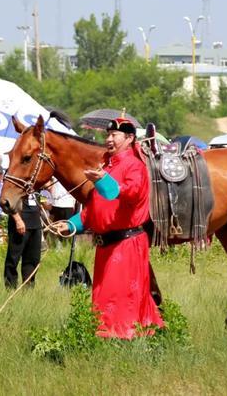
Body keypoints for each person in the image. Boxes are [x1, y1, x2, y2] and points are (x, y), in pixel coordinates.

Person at [56, 118, 163, 339]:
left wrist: (103, 180)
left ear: (129, 138)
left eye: (115, 135)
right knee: (105, 296)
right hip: (107, 246)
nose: (109, 139)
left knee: (123, 297)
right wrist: (71, 224)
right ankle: (108, 338)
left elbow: (130, 194)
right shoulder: (107, 166)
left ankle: (127, 340)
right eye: (108, 135)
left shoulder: (135, 165)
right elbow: (93, 209)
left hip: (127, 243)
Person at [3, 190, 42, 288]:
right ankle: (10, 288)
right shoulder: (17, 181)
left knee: (33, 259)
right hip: (20, 224)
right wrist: (18, 220)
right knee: (13, 258)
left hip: (35, 224)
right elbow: (7, 203)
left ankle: (28, 288)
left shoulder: (36, 183)